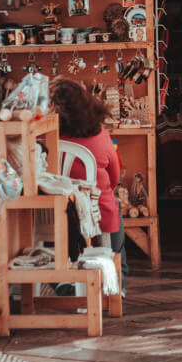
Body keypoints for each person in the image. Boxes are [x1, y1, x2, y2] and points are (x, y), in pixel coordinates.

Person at [49, 77, 127, 280]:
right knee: (112, 201)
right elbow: (114, 177)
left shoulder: (45, 137)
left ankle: (63, 282)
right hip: (98, 216)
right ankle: (118, 279)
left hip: (58, 217)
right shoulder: (100, 135)